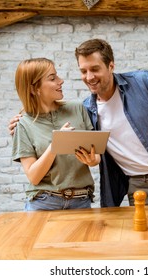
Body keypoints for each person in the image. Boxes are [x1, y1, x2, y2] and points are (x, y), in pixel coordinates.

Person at [10, 40, 148, 207]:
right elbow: (53, 111)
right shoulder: (86, 110)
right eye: (83, 71)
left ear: (111, 66)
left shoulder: (142, 81)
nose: (89, 77)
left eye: (95, 69)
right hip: (141, 186)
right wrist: (23, 117)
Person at [12, 58, 100, 211]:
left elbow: (96, 156)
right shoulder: (23, 124)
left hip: (81, 201)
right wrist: (56, 144)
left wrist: (92, 160)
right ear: (34, 89)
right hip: (43, 203)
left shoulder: (78, 109)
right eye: (53, 78)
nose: (61, 81)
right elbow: (34, 176)